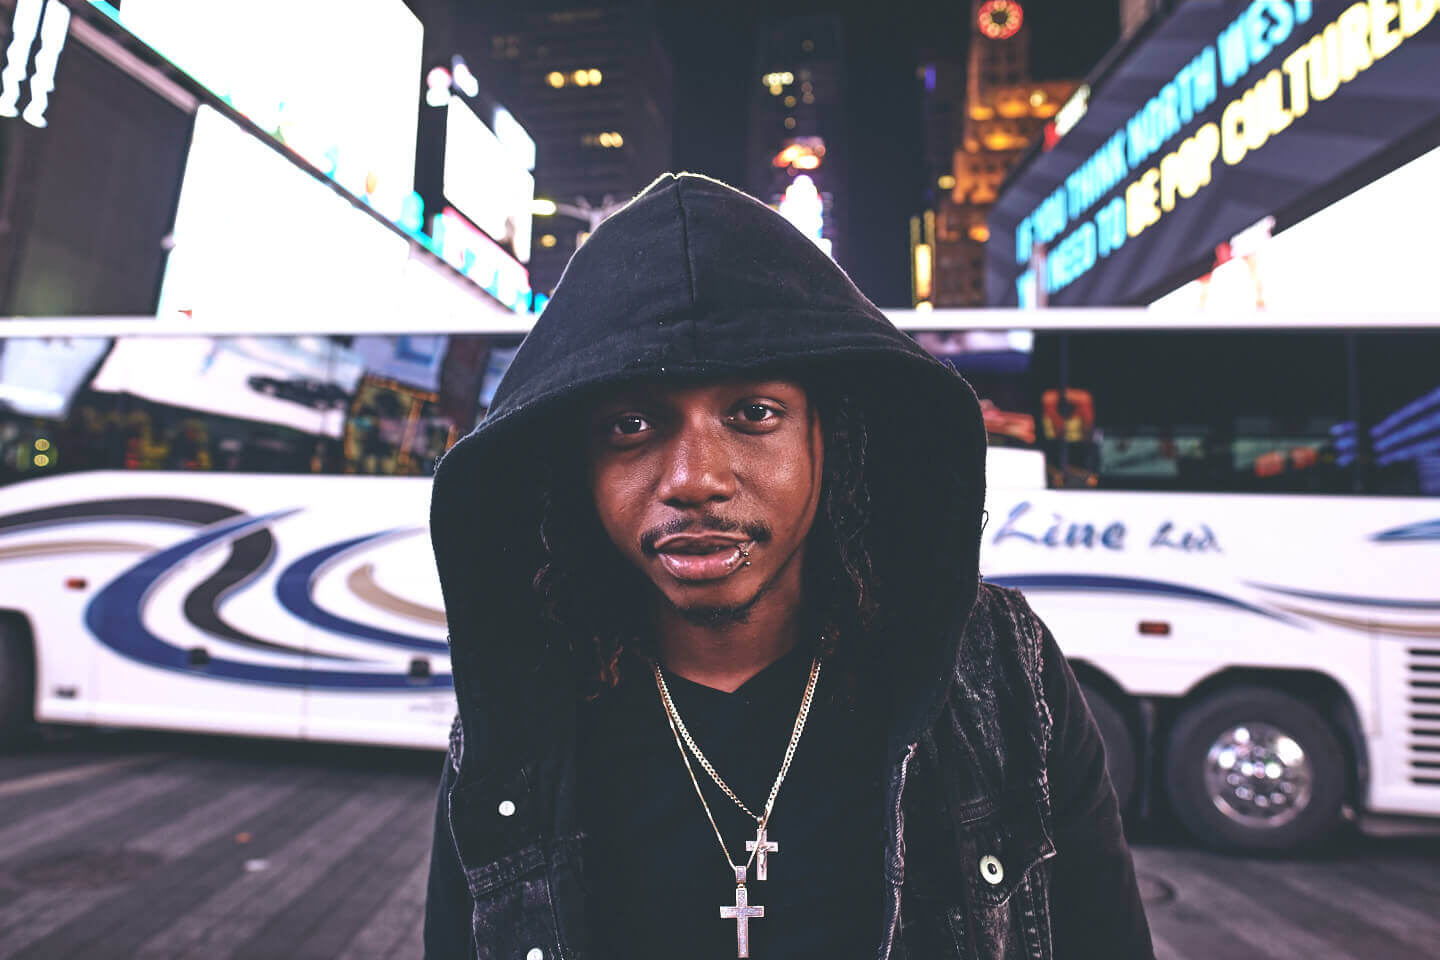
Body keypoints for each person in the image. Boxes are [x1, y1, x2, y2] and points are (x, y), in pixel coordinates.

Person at [424, 173, 1153, 959]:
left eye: (753, 414)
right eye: (631, 426)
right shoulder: (523, 710)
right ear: (577, 474)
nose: (694, 479)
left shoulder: (1001, 673)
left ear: (829, 445)